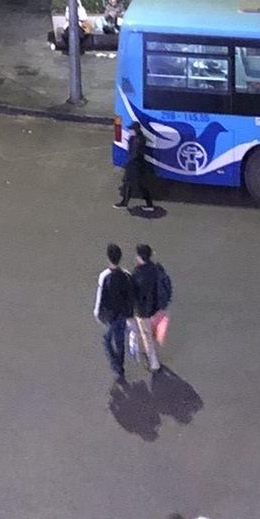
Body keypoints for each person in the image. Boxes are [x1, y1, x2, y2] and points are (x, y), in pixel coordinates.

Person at [92, 243, 135, 383]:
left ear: (108, 258)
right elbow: (130, 297)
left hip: (110, 315)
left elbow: (100, 295)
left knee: (106, 340)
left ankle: (115, 364)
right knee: (120, 340)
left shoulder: (104, 276)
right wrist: (130, 314)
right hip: (122, 314)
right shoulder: (126, 276)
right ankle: (120, 364)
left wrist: (97, 312)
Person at [129, 243, 171, 372]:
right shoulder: (157, 269)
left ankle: (154, 363)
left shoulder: (137, 273)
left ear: (140, 257)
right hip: (158, 308)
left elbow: (134, 294)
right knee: (151, 330)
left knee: (146, 335)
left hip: (144, 311)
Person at [116, 122, 154, 212]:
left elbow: (134, 154)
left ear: (135, 130)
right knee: (134, 184)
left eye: (131, 130)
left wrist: (127, 164)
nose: (130, 131)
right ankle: (148, 205)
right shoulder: (136, 138)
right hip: (135, 165)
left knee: (132, 184)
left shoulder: (139, 140)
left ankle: (125, 203)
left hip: (135, 166)